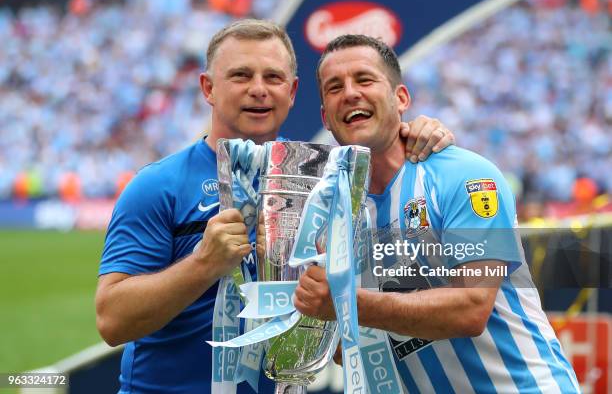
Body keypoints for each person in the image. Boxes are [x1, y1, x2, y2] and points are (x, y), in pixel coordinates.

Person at [95, 20, 455, 393]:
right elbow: (112, 321)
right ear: (208, 88)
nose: (258, 90)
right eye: (240, 75)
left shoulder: (324, 178)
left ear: (293, 90)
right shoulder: (159, 185)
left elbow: (350, 324)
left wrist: (419, 132)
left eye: (273, 77)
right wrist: (203, 264)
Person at [293, 34, 580, 393]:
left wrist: (345, 301)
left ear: (401, 98)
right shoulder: (333, 218)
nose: (350, 93)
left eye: (364, 79)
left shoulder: (465, 175)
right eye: (335, 87)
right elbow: (348, 348)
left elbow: (472, 307)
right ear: (326, 118)